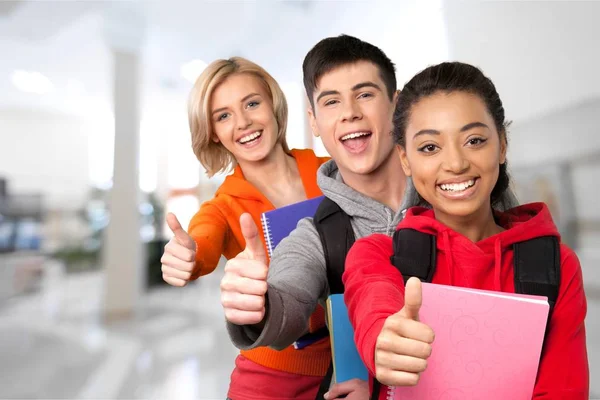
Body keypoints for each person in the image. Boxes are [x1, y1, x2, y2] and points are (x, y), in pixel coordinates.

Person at [342, 61, 589, 399]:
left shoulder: (556, 266)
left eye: (474, 140)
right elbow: (375, 300)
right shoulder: (377, 256)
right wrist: (385, 339)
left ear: (502, 145)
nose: (456, 163)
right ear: (405, 159)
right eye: (430, 147)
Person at [220, 35, 408, 399]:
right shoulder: (316, 235)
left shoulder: (454, 196)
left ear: (397, 106)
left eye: (365, 94)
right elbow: (288, 296)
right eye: (331, 101)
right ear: (315, 121)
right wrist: (257, 306)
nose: (349, 111)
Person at [160, 57, 340, 400]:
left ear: (273, 105)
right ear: (213, 132)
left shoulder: (331, 173)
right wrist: (187, 254)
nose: (243, 123)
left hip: (354, 366)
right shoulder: (222, 207)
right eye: (223, 115)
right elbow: (202, 241)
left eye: (252, 104)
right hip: (272, 379)